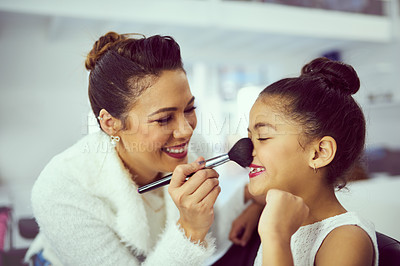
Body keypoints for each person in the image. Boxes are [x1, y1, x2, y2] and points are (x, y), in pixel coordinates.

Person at [25, 32, 262, 265]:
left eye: (189, 109)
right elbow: (191, 236)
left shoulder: (195, 146)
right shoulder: (60, 189)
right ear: (111, 124)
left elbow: (206, 240)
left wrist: (249, 199)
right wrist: (188, 229)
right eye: (163, 119)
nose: (186, 130)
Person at [246, 57, 379, 265]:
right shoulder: (280, 220)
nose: (246, 151)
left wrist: (276, 237)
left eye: (262, 136)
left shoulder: (347, 239)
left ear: (319, 153)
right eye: (249, 138)